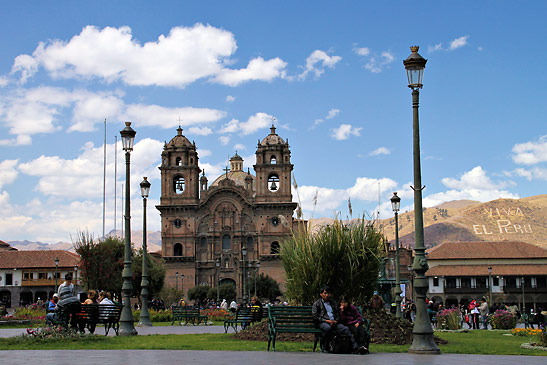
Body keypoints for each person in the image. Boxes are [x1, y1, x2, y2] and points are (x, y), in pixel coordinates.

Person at [312, 286, 365, 355]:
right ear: (321, 294)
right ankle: (325, 346)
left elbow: (338, 314)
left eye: (328, 293)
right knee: (328, 328)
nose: (327, 295)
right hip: (324, 322)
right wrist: (327, 321)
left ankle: (355, 347)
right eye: (325, 293)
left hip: (334, 322)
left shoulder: (333, 303)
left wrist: (336, 321)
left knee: (345, 329)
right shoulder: (317, 304)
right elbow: (315, 317)